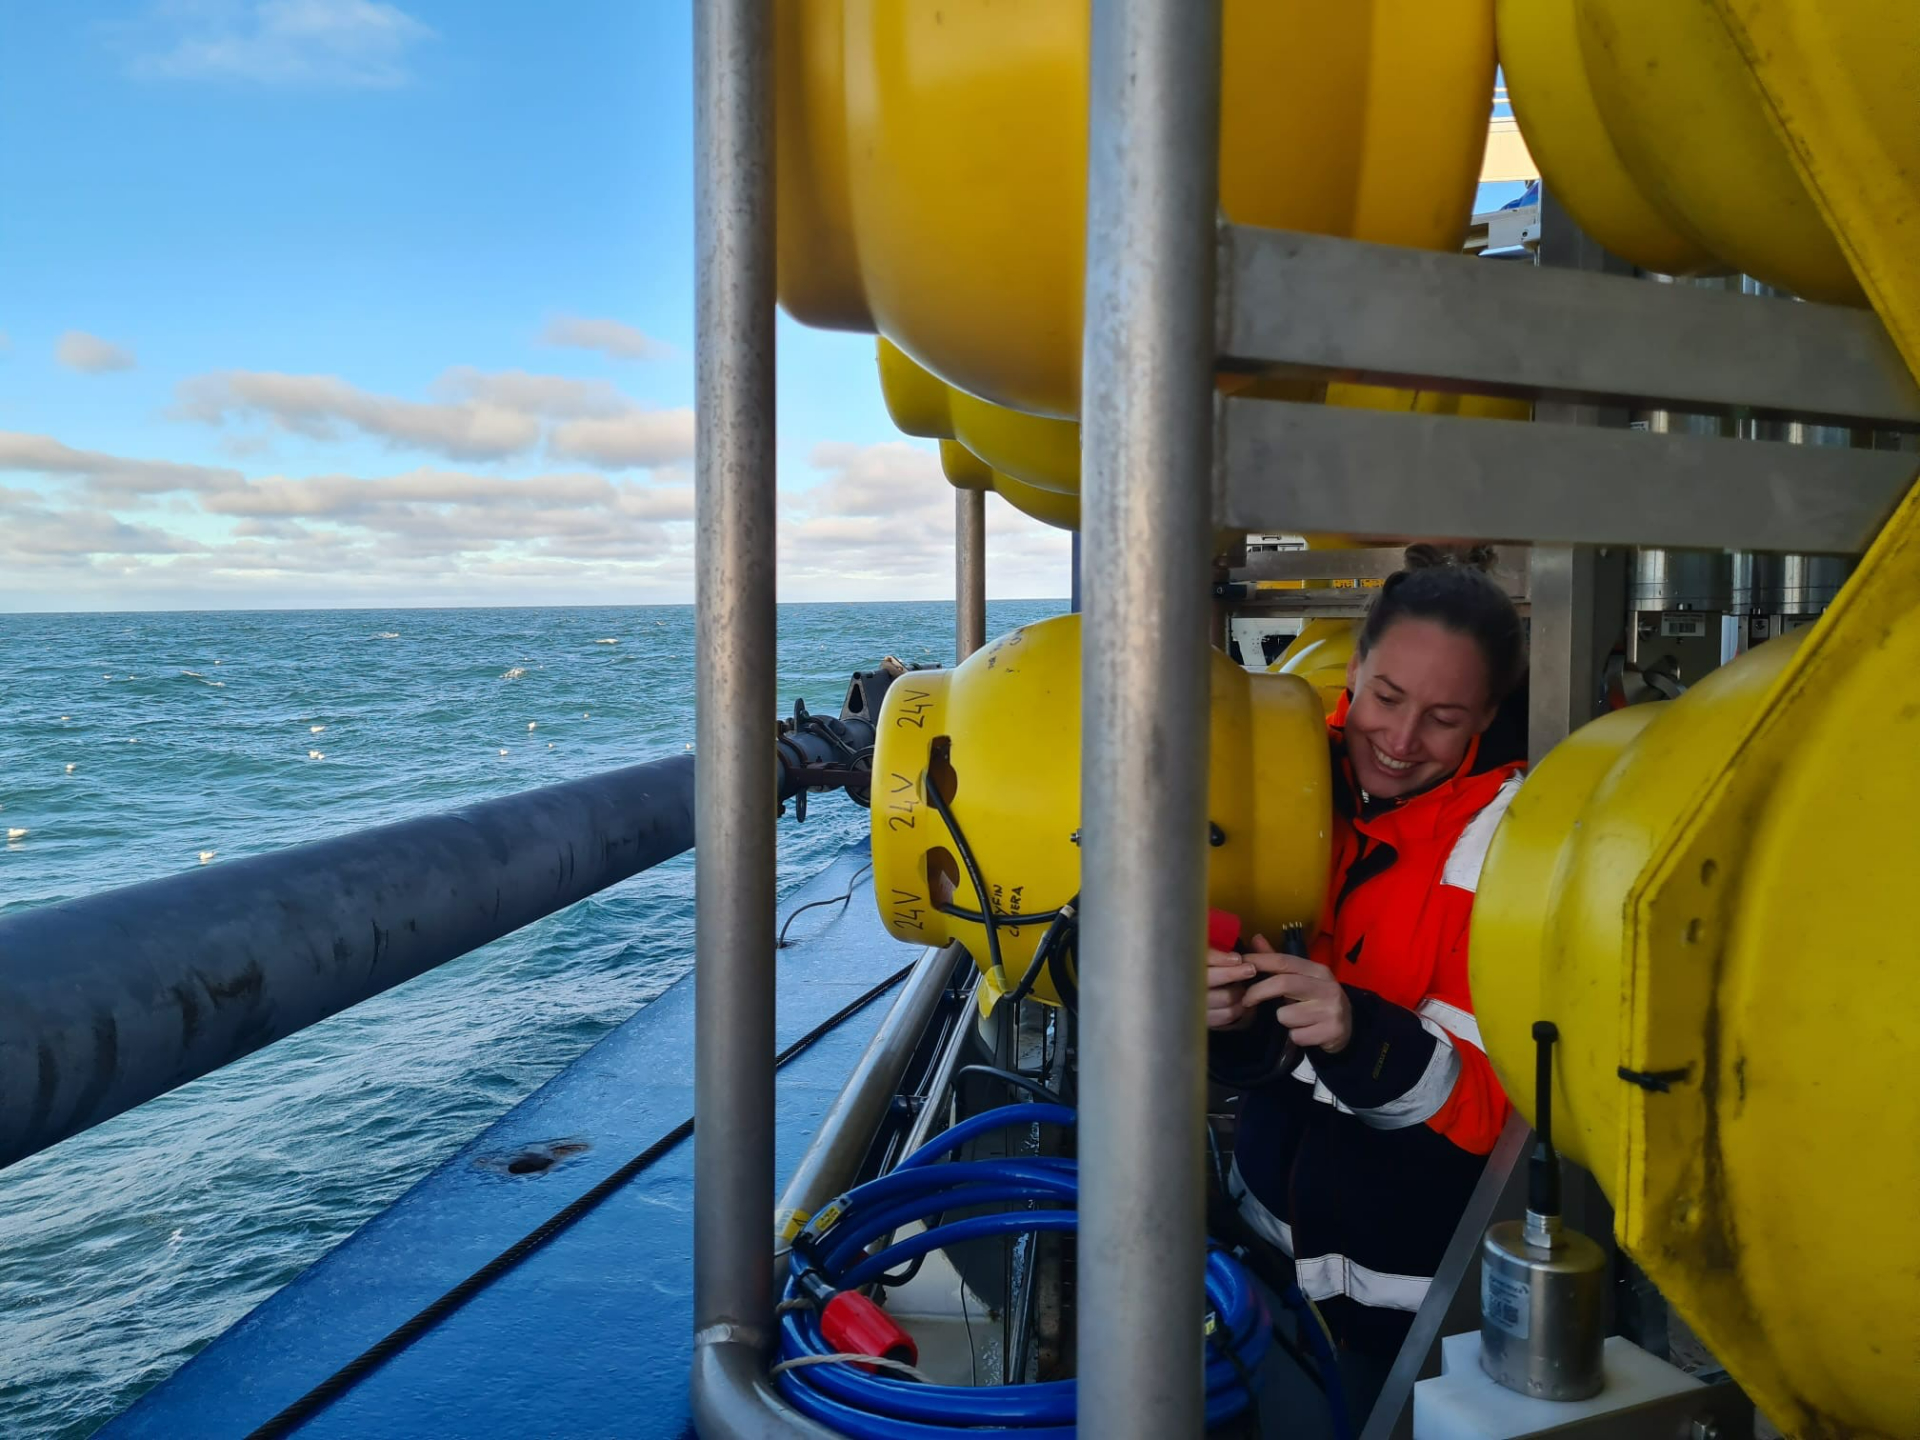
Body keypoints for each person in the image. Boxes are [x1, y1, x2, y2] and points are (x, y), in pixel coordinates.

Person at [1208, 544, 1528, 1416]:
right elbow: (1262, 1055)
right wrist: (1228, 1019)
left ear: (1487, 715)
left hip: (1411, 1314)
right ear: (1353, 669)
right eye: (1386, 697)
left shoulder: (1513, 846)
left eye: (1443, 717)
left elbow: (1497, 1112)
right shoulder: (1279, 789)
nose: (1397, 739)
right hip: (1262, 1262)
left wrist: (1359, 1034)